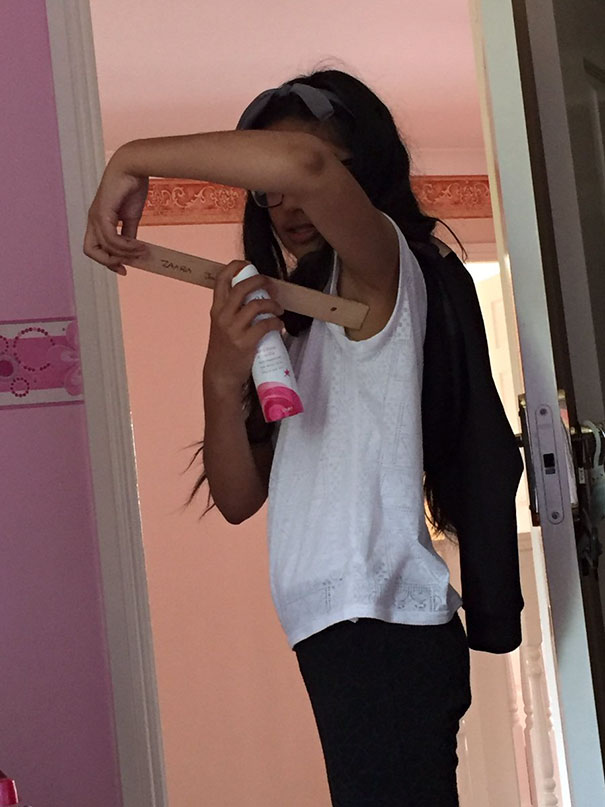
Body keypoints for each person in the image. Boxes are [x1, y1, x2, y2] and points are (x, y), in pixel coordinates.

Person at [84, 68, 523, 806]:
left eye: (296, 175)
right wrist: (221, 375)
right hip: (342, 628)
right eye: (267, 190)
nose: (285, 200)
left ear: (363, 170)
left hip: (378, 621)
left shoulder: (381, 273)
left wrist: (130, 157)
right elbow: (237, 498)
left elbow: (304, 165)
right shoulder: (306, 321)